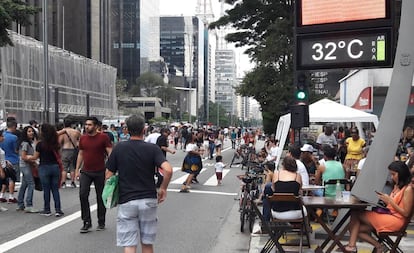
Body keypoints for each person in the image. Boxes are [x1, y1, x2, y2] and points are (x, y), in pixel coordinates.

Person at [105, 114, 173, 253]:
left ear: (127, 130)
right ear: (144, 129)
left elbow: (108, 175)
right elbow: (168, 170)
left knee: (129, 244)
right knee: (147, 243)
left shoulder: (119, 148)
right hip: (148, 199)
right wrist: (163, 188)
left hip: (127, 200)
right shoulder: (153, 149)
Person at [345, 161, 414, 253]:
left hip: (396, 220)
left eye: (393, 174)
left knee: (356, 212)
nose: (392, 177)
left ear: (401, 173)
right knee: (353, 227)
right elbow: (394, 204)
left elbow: (406, 213)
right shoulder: (397, 186)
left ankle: (352, 246)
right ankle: (379, 246)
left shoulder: (408, 189)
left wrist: (390, 201)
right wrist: (386, 201)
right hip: (389, 215)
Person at [75, 117, 112, 233]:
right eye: (86, 124)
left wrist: (110, 169)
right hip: (86, 171)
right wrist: (77, 170)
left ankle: (101, 221)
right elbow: (81, 154)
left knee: (100, 197)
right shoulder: (83, 138)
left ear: (96, 126)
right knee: (83, 194)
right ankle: (86, 222)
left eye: (90, 125)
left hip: (100, 171)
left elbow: (110, 153)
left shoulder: (103, 137)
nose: (87, 127)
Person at [28, 123, 64, 217]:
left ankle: (47, 209)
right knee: (55, 189)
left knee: (46, 189)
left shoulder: (40, 144)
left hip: (44, 167)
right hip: (55, 167)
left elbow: (35, 157)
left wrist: (27, 157)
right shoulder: (56, 143)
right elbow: (59, 155)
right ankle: (58, 209)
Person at [16, 126, 39, 213]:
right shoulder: (25, 143)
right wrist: (33, 159)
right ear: (25, 133)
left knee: (24, 185)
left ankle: (20, 203)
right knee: (31, 184)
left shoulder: (28, 142)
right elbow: (23, 156)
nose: (31, 133)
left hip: (25, 165)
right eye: (29, 131)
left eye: (32, 131)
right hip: (26, 165)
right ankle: (29, 205)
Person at [0, 119, 19, 203]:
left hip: (4, 160)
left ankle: (2, 195)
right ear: (14, 126)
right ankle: (11, 196)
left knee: (4, 180)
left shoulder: (2, 135)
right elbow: (16, 150)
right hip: (13, 159)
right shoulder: (14, 137)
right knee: (12, 178)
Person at [59, 117, 81, 188]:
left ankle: (63, 182)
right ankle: (72, 182)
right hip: (73, 150)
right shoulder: (76, 132)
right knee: (72, 167)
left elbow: (60, 142)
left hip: (65, 150)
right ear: (71, 124)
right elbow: (81, 140)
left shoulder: (62, 131)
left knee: (64, 167)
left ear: (64, 124)